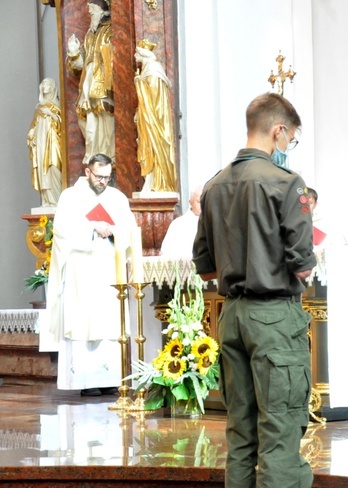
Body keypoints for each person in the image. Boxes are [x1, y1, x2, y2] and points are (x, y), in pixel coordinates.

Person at [193, 92, 315, 488]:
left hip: (232, 319)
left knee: (241, 433)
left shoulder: (214, 186)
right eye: (290, 138)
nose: (288, 146)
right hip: (274, 319)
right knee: (280, 432)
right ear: (278, 131)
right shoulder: (286, 184)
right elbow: (302, 265)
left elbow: (206, 266)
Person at [46, 153, 137, 396]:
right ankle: (85, 382)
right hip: (81, 268)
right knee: (84, 318)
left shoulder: (117, 198)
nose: (103, 181)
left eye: (108, 177)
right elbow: (61, 230)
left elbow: (129, 230)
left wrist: (114, 230)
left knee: (109, 321)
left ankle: (111, 379)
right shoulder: (71, 197)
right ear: (87, 172)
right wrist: (92, 227)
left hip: (108, 266)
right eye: (99, 176)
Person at [66, 0, 114, 166]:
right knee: (88, 122)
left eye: (92, 11)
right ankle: (93, 157)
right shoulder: (89, 35)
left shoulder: (110, 31)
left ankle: (108, 158)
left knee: (105, 121)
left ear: (102, 11)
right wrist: (73, 53)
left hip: (102, 85)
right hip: (87, 85)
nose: (90, 15)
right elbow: (80, 65)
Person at [134, 39, 178, 193]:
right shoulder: (148, 70)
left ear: (143, 54)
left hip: (155, 119)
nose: (134, 56)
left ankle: (158, 183)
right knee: (148, 146)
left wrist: (139, 83)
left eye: (137, 53)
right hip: (148, 117)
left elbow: (153, 97)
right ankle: (151, 181)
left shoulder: (153, 70)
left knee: (155, 146)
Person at [26, 78, 63, 208]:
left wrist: (51, 114)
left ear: (53, 88)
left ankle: (57, 200)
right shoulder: (39, 107)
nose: (45, 86)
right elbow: (33, 126)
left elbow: (63, 125)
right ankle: (47, 201)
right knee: (43, 169)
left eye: (48, 84)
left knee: (53, 167)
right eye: (44, 84)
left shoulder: (57, 105)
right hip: (41, 142)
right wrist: (31, 137)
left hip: (53, 141)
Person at [160, 186, 202, 258]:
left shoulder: (212, 224)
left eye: (205, 201)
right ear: (190, 203)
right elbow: (166, 253)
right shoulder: (178, 225)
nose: (202, 205)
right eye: (199, 202)